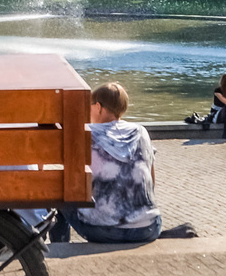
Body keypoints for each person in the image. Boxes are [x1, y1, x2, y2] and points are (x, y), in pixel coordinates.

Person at [48, 83, 172, 244]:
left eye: (90, 106)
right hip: (149, 228)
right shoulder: (141, 132)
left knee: (62, 200)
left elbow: (74, 184)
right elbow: (151, 180)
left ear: (98, 107)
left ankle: (60, 248)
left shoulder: (87, 134)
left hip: (104, 231)